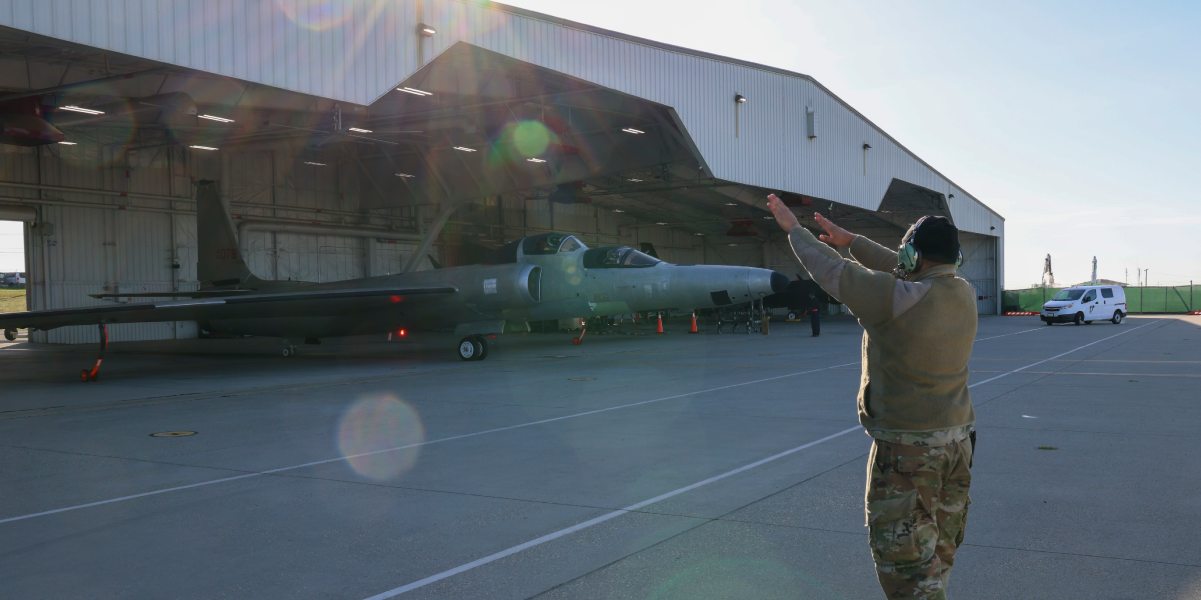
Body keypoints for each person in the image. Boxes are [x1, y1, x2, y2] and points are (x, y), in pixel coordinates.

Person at [767, 194, 977, 600]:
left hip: (909, 452)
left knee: (907, 573)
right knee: (937, 558)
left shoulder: (898, 299)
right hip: (957, 445)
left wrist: (796, 231)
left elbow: (833, 272)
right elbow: (903, 271)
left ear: (914, 255)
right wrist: (853, 240)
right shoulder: (961, 291)